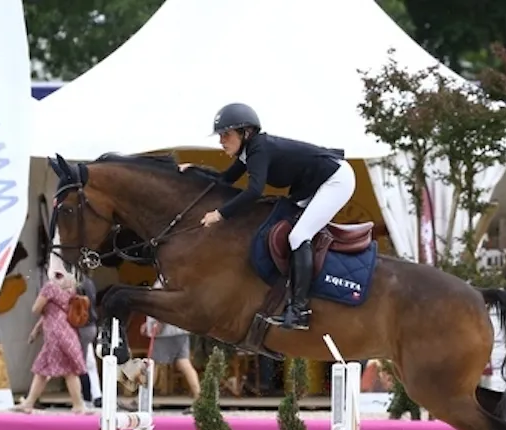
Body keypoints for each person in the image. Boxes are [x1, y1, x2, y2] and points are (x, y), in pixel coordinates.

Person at [179, 102, 356, 331]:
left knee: (298, 235)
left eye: (226, 134)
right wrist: (194, 170)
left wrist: (220, 214)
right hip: (312, 184)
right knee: (283, 225)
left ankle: (300, 310)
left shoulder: (258, 150)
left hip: (335, 180)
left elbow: (254, 191)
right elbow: (225, 179)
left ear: (246, 132)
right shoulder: (249, 152)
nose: (221, 140)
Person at [17, 270, 88, 414]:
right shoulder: (70, 288)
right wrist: (36, 331)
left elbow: (36, 309)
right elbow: (53, 311)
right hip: (66, 330)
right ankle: (30, 402)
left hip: (54, 333)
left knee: (67, 369)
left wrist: (41, 299)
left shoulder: (50, 287)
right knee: (43, 367)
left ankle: (78, 404)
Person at [141, 279, 202, 410]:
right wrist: (149, 324)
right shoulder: (179, 281)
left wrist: (159, 323)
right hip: (180, 330)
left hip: (166, 332)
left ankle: (144, 400)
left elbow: (164, 306)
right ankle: (199, 399)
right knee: (183, 363)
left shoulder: (164, 283)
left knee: (152, 364)